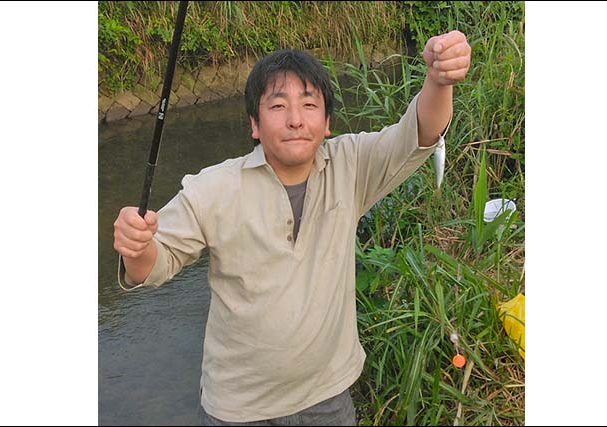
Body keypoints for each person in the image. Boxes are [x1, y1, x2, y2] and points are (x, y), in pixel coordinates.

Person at [113, 30, 471, 426]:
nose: (296, 119)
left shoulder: (350, 166)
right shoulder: (211, 187)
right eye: (278, 106)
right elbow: (151, 266)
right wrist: (137, 245)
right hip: (238, 409)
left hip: (328, 396)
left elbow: (418, 133)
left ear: (327, 122)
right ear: (254, 123)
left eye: (309, 104)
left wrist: (439, 80)